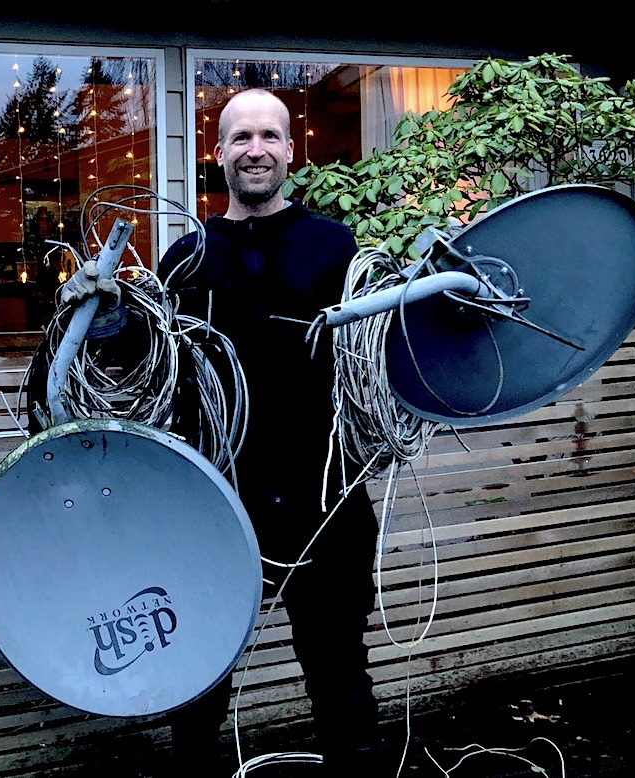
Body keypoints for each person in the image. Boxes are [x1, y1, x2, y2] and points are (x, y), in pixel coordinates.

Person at [158, 88, 383, 775]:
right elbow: (158, 377)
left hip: (325, 495)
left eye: (270, 136)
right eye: (241, 138)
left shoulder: (334, 246)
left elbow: (382, 351)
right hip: (218, 502)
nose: (255, 150)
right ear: (218, 153)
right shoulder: (185, 260)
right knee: (198, 683)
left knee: (340, 675)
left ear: (291, 150)